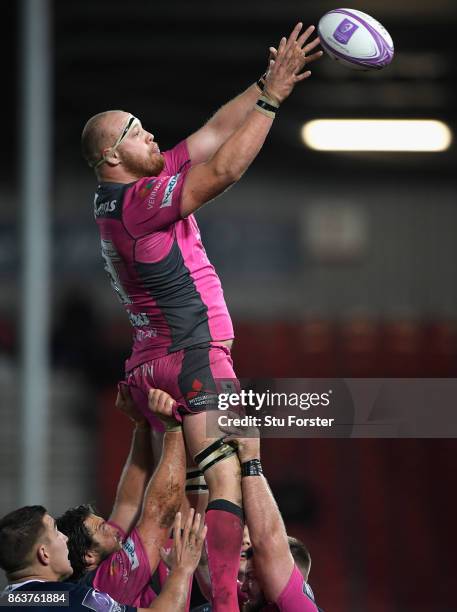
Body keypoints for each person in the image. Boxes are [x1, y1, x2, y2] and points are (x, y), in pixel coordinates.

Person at [82, 23, 322, 611]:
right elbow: (223, 171)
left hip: (153, 362)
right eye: (137, 131)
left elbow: (214, 133)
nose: (151, 134)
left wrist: (268, 79)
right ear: (113, 155)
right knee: (227, 480)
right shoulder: (140, 204)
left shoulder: (127, 193)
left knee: (190, 492)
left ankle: (186, 594)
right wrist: (272, 101)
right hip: (192, 355)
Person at [57, 385, 186, 607]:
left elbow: (128, 503)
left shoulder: (103, 558)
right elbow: (161, 513)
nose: (111, 527)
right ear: (89, 556)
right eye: (101, 528)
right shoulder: (107, 584)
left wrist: (141, 426)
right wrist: (173, 428)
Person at [0, 505, 206, 612]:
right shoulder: (75, 599)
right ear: (44, 554)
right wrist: (182, 569)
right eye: (56, 532)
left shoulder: (6, 601)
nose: (64, 538)